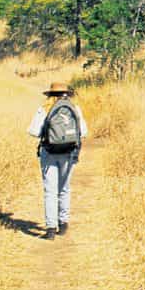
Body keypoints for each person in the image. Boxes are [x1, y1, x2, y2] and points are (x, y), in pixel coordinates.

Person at [27, 81, 88, 240]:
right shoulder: (74, 109)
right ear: (66, 94)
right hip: (69, 153)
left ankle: (51, 228)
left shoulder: (44, 109)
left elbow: (33, 131)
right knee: (65, 188)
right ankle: (64, 223)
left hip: (49, 152)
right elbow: (84, 132)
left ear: (50, 95)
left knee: (50, 190)